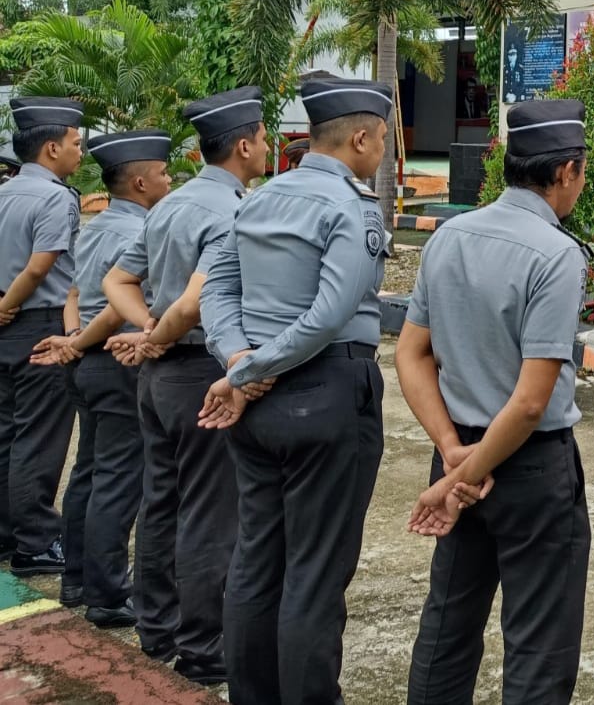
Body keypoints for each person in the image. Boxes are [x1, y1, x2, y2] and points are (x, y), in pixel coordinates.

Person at [198, 77, 390, 705]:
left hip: (256, 404)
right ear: (359, 138)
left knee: (258, 560)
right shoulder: (353, 207)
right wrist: (249, 369)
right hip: (326, 392)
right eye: (382, 139)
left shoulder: (256, 200)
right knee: (315, 572)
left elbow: (218, 291)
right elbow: (331, 314)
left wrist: (238, 360)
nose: (383, 151)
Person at [401, 99, 592, 704]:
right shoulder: (556, 254)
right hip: (528, 468)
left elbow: (410, 354)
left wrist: (452, 455)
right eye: (582, 171)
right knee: (538, 642)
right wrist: (468, 472)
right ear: (565, 172)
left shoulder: (450, 236)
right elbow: (531, 402)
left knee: (449, 622)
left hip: (456, 454)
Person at [100, 85, 269, 683]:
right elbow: (197, 301)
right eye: (263, 138)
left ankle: (156, 628)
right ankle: (202, 647)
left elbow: (117, 281)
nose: (267, 146)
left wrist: (148, 329)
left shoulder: (172, 204)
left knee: (162, 499)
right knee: (208, 511)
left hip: (159, 378)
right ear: (243, 146)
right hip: (200, 368)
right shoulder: (229, 211)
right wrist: (162, 333)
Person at [31, 129, 172, 629]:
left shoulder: (97, 225)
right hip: (116, 358)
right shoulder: (140, 230)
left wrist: (73, 338)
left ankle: (76, 578)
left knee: (89, 472)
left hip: (87, 361)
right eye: (163, 173)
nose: (170, 181)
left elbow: (73, 292)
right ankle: (108, 594)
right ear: (140, 182)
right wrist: (81, 342)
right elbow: (116, 309)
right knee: (118, 479)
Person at [0, 96, 84, 576]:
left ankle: (6, 533)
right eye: (75, 143)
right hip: (37, 323)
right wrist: (7, 305)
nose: (80, 152)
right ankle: (35, 542)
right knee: (39, 437)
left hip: (5, 320)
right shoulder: (55, 198)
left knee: (5, 432)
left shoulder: (5, 191)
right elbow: (38, 268)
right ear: (51, 148)